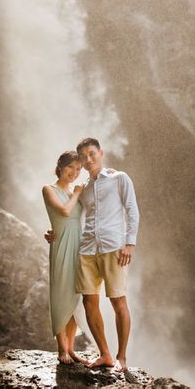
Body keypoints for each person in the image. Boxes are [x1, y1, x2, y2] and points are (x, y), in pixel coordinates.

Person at [46, 137, 139, 371]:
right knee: (88, 302)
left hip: (113, 247)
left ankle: (122, 357)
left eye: (91, 154)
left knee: (118, 301)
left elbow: (132, 210)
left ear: (101, 153)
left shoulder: (119, 178)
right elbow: (69, 214)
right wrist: (53, 232)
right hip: (87, 249)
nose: (87, 160)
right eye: (82, 158)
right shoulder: (83, 188)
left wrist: (130, 243)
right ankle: (105, 354)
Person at [42, 151, 89, 365]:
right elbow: (64, 212)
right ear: (61, 166)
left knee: (75, 297)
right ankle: (61, 348)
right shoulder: (49, 189)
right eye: (71, 167)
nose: (74, 172)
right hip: (61, 245)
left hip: (78, 245)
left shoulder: (75, 190)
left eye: (79, 169)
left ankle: (71, 348)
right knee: (61, 294)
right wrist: (77, 194)